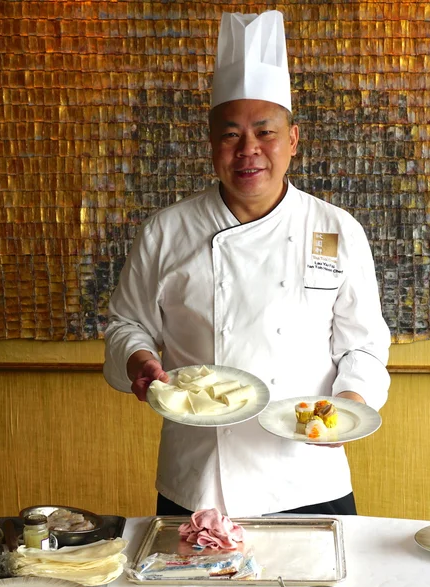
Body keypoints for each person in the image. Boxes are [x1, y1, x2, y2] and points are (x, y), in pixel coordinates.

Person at [103, 10, 390, 516]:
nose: (249, 150)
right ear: (211, 144)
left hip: (309, 474)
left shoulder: (333, 230)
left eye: (265, 132)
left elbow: (363, 343)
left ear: (293, 139)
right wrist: (139, 359)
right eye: (231, 135)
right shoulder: (167, 231)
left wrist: (352, 403)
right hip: (200, 478)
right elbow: (127, 325)